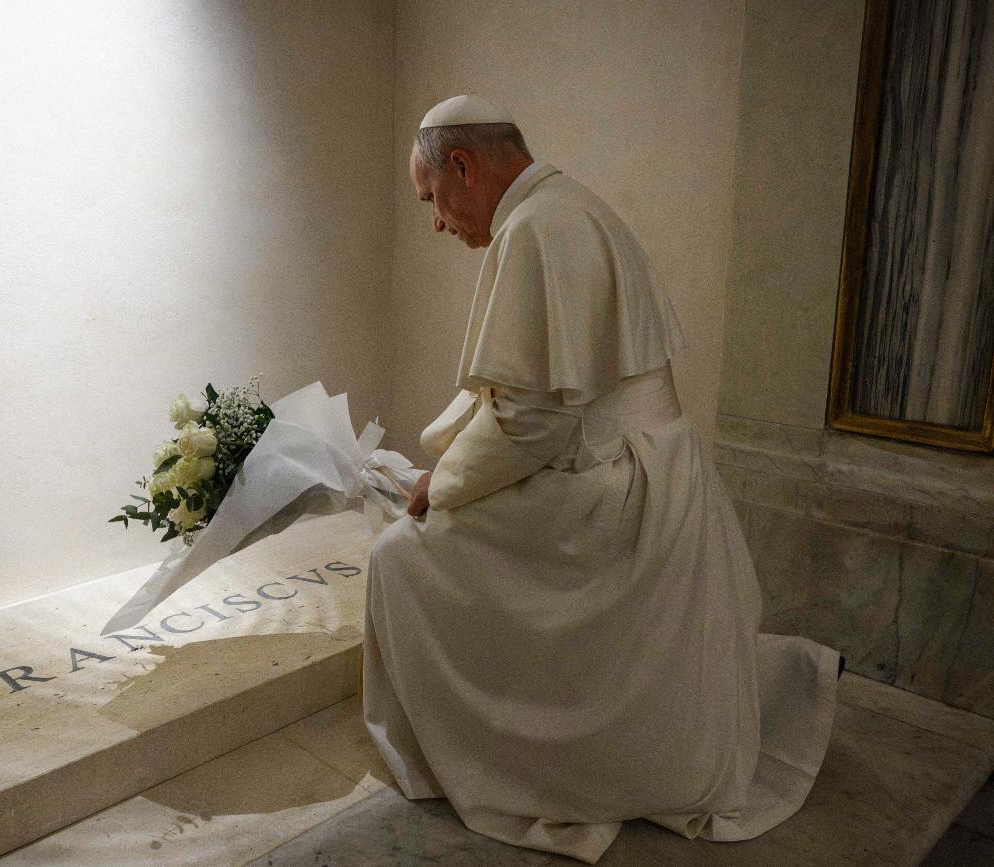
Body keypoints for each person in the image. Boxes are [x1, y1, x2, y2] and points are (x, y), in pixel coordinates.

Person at [361, 94, 843, 865]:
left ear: (463, 165)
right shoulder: (570, 206)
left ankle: (502, 761)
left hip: (611, 490)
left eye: (432, 200)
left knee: (400, 556)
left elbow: (532, 420)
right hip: (654, 473)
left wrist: (439, 484)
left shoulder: (536, 228)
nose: (437, 222)